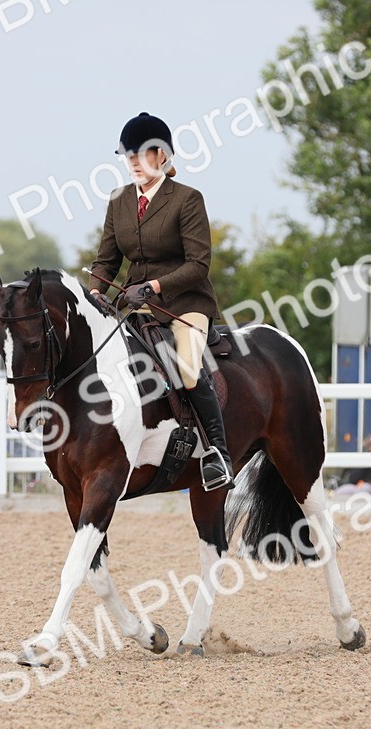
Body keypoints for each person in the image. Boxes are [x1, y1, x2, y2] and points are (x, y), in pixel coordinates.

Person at [87, 112, 232, 490]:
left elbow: (198, 265)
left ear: (162, 155)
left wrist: (153, 286)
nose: (133, 162)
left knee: (187, 367)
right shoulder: (119, 200)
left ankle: (217, 453)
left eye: (141, 154)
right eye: (128, 155)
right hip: (134, 304)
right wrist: (96, 291)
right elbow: (106, 260)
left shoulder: (187, 199)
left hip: (184, 305)